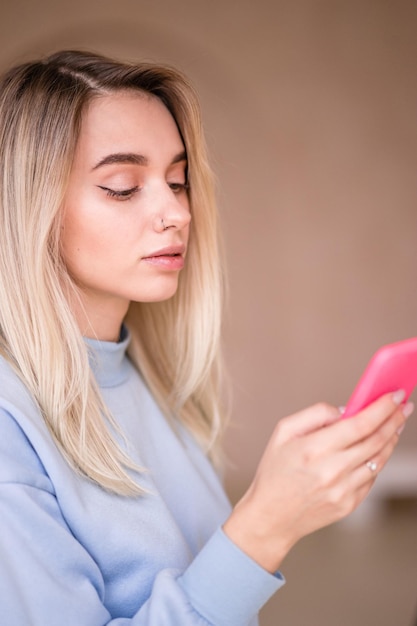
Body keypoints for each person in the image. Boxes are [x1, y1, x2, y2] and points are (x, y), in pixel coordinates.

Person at [0, 49, 411, 626]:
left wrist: (286, 499)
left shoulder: (146, 381)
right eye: (122, 186)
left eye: (178, 179)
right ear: (28, 207)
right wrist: (264, 525)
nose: (176, 211)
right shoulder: (8, 429)